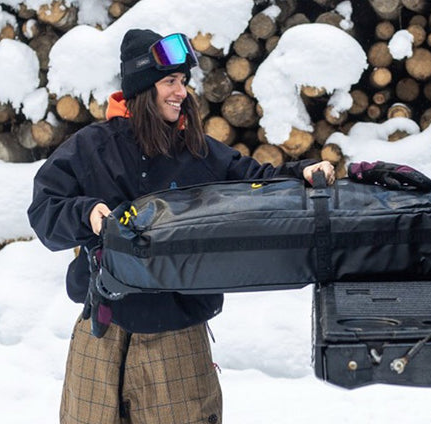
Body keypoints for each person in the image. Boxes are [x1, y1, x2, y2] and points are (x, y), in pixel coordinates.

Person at [27, 28, 334, 424]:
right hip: (100, 333)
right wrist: (85, 213)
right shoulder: (90, 147)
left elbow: (257, 180)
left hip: (176, 334)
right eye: (170, 81)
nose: (181, 92)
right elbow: (44, 210)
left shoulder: (198, 150)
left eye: (184, 82)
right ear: (141, 88)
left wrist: (301, 172)